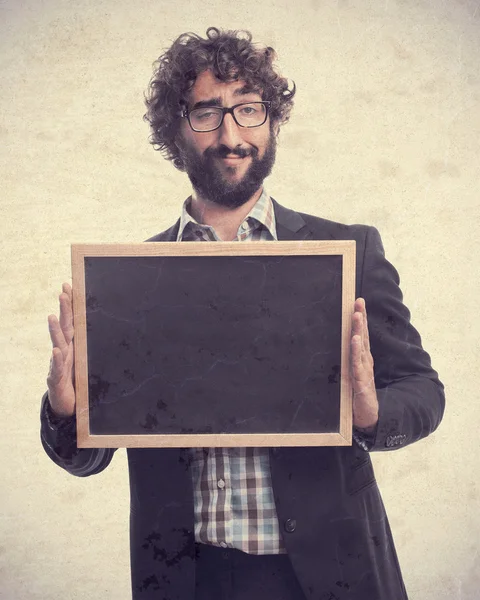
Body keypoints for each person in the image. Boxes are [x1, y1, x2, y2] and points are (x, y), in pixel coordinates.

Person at [41, 27, 445, 600]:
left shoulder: (349, 252)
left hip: (328, 576)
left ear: (273, 121)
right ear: (174, 129)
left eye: (248, 110)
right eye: (206, 113)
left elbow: (423, 390)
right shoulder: (129, 279)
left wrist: (372, 415)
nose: (231, 135)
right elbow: (89, 455)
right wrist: (65, 408)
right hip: (188, 579)